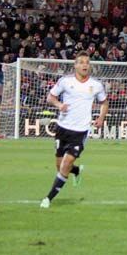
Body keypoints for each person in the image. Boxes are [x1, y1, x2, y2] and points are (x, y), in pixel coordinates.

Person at [40, 51, 108, 208]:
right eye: (81, 62)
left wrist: (101, 118)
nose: (85, 64)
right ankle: (76, 171)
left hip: (81, 131)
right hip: (62, 128)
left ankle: (48, 198)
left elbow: (104, 103)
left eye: (87, 62)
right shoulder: (65, 81)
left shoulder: (96, 85)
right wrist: (59, 105)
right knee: (60, 166)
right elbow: (51, 97)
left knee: (65, 165)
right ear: (75, 65)